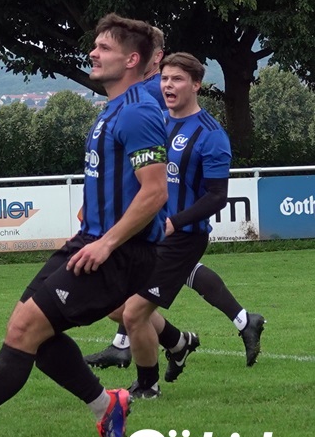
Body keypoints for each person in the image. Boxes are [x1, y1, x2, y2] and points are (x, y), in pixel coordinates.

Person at [0, 13, 169, 437]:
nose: (92, 53)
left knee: (27, 328)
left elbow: (155, 192)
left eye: (104, 48)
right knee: (26, 328)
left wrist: (106, 243)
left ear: (132, 60)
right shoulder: (116, 108)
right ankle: (107, 407)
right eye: (95, 45)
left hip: (120, 251)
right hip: (92, 240)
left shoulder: (139, 111)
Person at [84, 55, 265, 375]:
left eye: (177, 79)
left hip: (181, 235)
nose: (167, 85)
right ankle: (181, 341)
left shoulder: (210, 134)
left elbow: (217, 196)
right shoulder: (154, 122)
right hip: (149, 229)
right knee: (115, 304)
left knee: (133, 308)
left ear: (196, 85)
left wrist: (174, 222)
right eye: (165, 78)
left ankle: (145, 378)